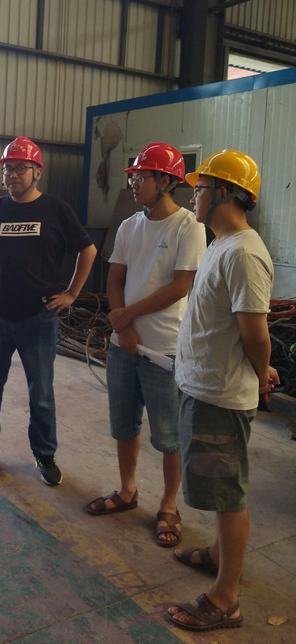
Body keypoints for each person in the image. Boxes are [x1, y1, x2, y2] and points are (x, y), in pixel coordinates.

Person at [166, 150, 279, 631]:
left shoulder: (244, 253)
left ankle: (225, 597)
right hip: (201, 386)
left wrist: (263, 368)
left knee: (228, 494)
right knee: (215, 487)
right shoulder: (219, 245)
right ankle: (217, 555)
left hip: (220, 396)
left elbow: (255, 333)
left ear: (227, 193)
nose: (193, 196)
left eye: (201, 188)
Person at [85, 142, 206, 549]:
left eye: (142, 177)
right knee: (124, 425)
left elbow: (180, 285)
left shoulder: (188, 227)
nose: (134, 183)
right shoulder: (128, 226)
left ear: (166, 181)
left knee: (169, 436)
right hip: (124, 346)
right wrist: (122, 328)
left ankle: (169, 506)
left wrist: (126, 316)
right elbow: (115, 277)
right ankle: (127, 490)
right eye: (134, 177)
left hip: (165, 350)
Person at [0, 136, 97, 485]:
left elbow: (88, 250)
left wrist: (72, 293)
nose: (13, 175)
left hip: (38, 318)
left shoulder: (55, 210)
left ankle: (45, 454)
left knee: (42, 392)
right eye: (8, 169)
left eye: (21, 168)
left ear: (37, 172)